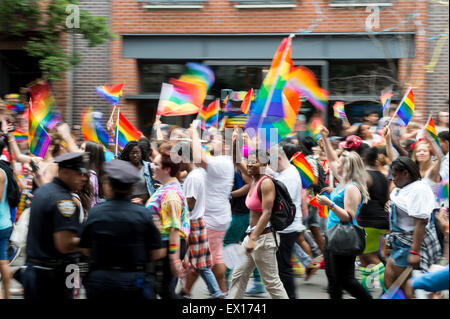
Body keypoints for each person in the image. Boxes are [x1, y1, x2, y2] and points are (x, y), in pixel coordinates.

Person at [79, 160, 164, 299]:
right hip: (135, 283)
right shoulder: (145, 214)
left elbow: (85, 249)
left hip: (101, 283)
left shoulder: (95, 213)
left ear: (109, 186)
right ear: (131, 188)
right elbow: (158, 252)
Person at [21, 152, 89, 299]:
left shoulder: (44, 190)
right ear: (64, 173)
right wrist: (92, 242)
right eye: (79, 174)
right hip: (52, 278)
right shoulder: (64, 201)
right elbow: (65, 245)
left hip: (35, 272)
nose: (83, 178)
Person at [317, 126, 373, 300]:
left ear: (347, 168)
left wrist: (330, 203)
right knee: (333, 281)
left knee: (346, 280)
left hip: (344, 236)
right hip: (333, 234)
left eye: (340, 163)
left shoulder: (351, 188)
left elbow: (348, 216)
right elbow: (332, 159)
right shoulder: (343, 182)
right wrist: (325, 139)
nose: (335, 164)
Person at [228, 149, 288, 299]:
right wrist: (235, 141)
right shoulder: (253, 178)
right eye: (249, 160)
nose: (249, 163)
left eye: (254, 161)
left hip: (263, 239)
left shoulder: (266, 182)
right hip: (252, 236)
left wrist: (253, 238)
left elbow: (267, 213)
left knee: (271, 283)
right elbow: (236, 158)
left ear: (264, 164)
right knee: (238, 276)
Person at [384, 157, 442, 299]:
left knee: (408, 290)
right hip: (399, 244)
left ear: (405, 173)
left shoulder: (418, 189)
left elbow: (421, 222)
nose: (393, 179)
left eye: (395, 175)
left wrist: (414, 252)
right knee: (390, 282)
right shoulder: (406, 186)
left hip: (408, 245)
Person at [191, 126, 235, 294]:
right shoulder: (222, 161)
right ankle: (221, 292)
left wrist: (194, 132)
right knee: (215, 256)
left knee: (199, 257)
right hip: (218, 216)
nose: (211, 141)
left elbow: (198, 156)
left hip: (213, 218)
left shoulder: (221, 162)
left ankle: (188, 291)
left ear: (225, 145)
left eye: (215, 139)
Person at [178, 144, 224, 299]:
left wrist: (176, 201)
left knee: (200, 265)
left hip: (193, 223)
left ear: (184, 159)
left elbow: (190, 204)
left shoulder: (192, 177)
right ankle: (188, 292)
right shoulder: (200, 173)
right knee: (198, 264)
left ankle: (217, 293)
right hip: (198, 222)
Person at [145, 145, 190, 299]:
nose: (152, 167)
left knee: (165, 292)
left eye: (156, 165)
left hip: (169, 246)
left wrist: (174, 259)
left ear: (167, 169)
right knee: (163, 290)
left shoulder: (171, 194)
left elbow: (174, 230)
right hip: (164, 245)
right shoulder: (166, 188)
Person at [358, 147, 390, 293]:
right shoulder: (383, 176)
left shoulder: (365, 176)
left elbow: (358, 196)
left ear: (363, 160)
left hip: (370, 221)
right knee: (363, 258)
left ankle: (389, 288)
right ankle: (366, 290)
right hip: (378, 220)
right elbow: (386, 199)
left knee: (370, 256)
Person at [0, 136, 13, 299]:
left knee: (3, 262)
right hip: (4, 222)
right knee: (2, 261)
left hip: (1, 224)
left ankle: (8, 295)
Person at [80, 141, 105, 208]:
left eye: (82, 149)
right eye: (80, 148)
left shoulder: (90, 176)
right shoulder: (84, 171)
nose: (79, 151)